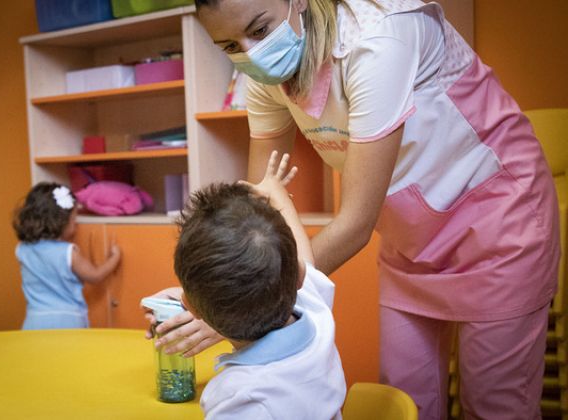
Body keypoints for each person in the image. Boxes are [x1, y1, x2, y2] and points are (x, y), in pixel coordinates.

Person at [157, 1, 560, 418]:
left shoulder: (377, 38)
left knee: (495, 407)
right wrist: (212, 289)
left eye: (260, 31)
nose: (251, 54)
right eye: (229, 46)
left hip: (497, 225)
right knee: (404, 401)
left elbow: (354, 224)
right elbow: (257, 210)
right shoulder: (266, 73)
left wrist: (233, 304)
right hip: (409, 237)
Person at [144, 152, 346, 419]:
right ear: (299, 277)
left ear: (191, 307)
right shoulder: (316, 313)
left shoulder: (242, 398)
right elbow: (303, 256)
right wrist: (276, 193)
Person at [13, 182, 121, 329]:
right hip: (68, 322)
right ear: (60, 222)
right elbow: (95, 276)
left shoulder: (22, 249)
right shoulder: (67, 252)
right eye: (73, 219)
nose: (76, 224)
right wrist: (115, 257)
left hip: (34, 320)